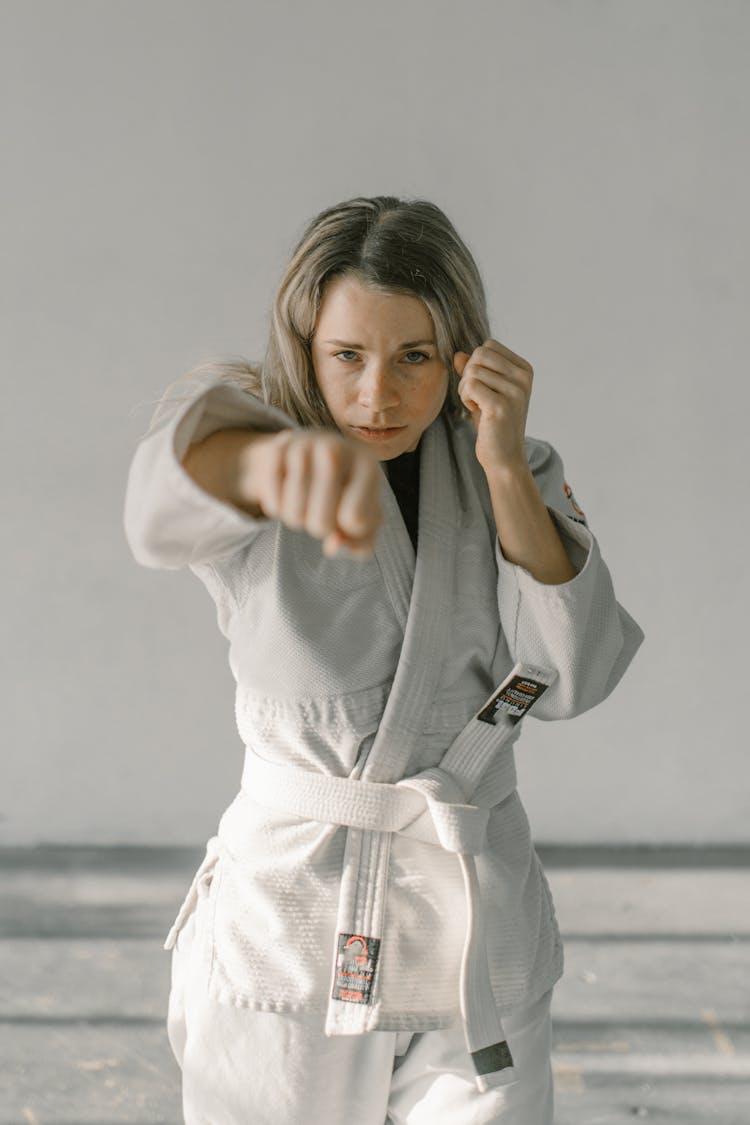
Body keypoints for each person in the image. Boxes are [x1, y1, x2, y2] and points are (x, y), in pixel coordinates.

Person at [123, 195, 644, 1124]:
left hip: (470, 923)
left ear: (463, 355)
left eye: (414, 357)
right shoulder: (254, 441)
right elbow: (160, 509)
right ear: (305, 342)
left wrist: (508, 469)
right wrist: (256, 472)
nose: (378, 395)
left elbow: (576, 673)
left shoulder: (505, 466)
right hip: (294, 922)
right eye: (347, 356)